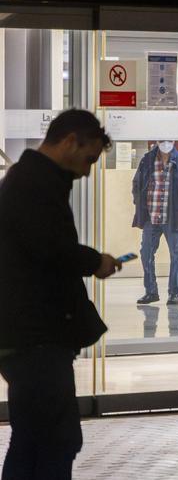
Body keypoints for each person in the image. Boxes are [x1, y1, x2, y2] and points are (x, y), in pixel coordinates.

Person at [0, 109, 122, 479]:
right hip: (35, 338)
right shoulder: (33, 185)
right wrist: (94, 261)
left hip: (30, 336)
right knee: (52, 438)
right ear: (70, 142)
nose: (87, 172)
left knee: (38, 438)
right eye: (89, 159)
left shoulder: (31, 180)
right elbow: (49, 247)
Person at [131, 139, 178, 305]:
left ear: (174, 141)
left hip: (175, 217)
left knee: (177, 255)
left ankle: (174, 293)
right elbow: (137, 184)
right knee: (146, 253)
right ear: (157, 141)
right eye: (162, 140)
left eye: (169, 140)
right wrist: (138, 202)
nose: (165, 143)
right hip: (151, 217)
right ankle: (151, 292)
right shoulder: (147, 159)